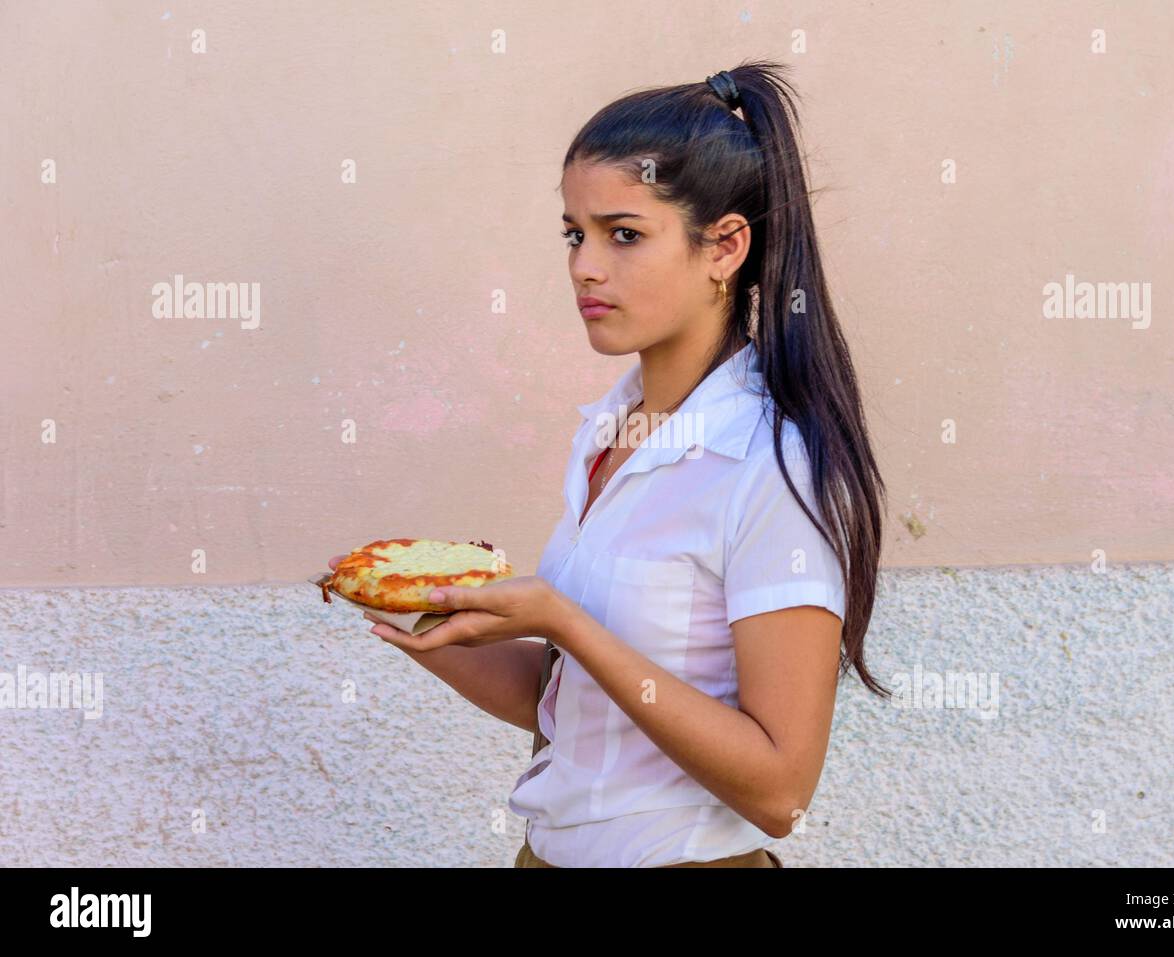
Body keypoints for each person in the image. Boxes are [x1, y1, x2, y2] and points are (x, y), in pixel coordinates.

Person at [331, 59, 889, 867]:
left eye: (624, 234)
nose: (585, 266)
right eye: (574, 233)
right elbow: (567, 701)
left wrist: (566, 622)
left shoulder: (769, 463)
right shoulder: (608, 432)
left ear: (725, 246)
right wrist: (434, 618)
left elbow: (780, 791)